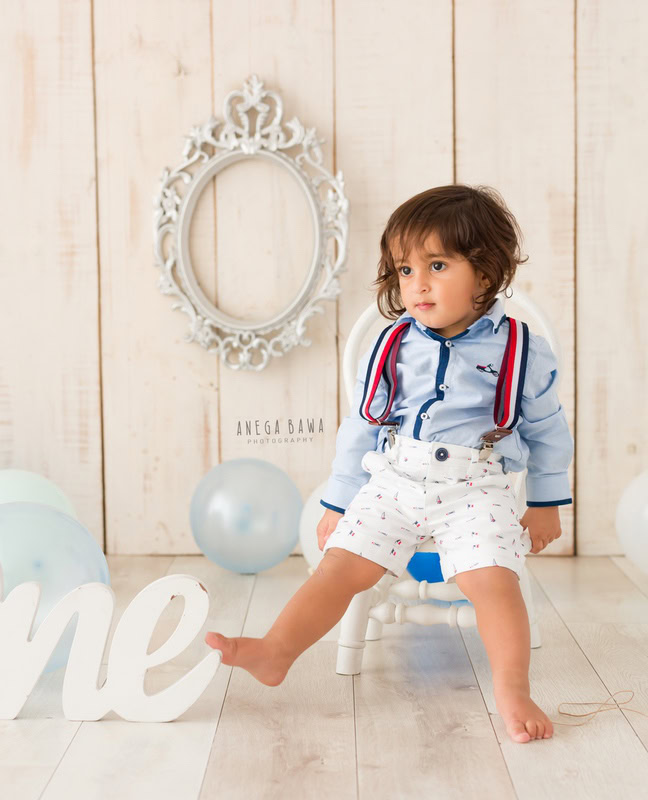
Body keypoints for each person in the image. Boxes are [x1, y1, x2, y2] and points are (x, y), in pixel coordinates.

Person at [205, 184, 573, 743]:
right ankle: (276, 652)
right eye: (404, 269)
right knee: (338, 569)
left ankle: (512, 687)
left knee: (494, 581)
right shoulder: (391, 345)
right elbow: (360, 427)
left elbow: (547, 432)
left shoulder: (520, 348)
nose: (417, 283)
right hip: (395, 479)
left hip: (475, 485)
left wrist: (546, 500)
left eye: (437, 265)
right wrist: (339, 497)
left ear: (485, 272)